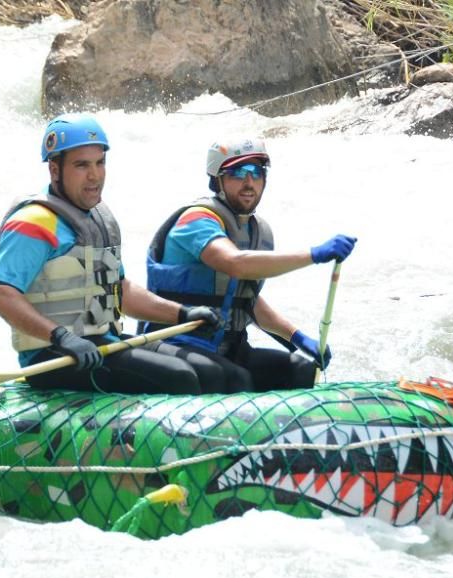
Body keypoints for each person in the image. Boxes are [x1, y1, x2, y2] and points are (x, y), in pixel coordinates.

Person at [0, 113, 227, 395]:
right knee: (179, 377)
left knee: (213, 372)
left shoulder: (98, 219)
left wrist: (182, 313)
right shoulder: (33, 223)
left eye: (100, 163)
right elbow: (1, 296)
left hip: (103, 341)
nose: (94, 175)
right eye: (81, 165)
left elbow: (119, 291)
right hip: (56, 356)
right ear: (54, 170)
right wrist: (61, 336)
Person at [142, 138, 357, 392]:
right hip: (176, 344)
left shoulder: (257, 231)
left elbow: (246, 299)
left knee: (301, 370)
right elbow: (235, 264)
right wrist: (314, 254)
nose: (249, 182)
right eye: (237, 173)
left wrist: (296, 337)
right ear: (218, 179)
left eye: (256, 172)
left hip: (231, 348)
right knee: (235, 379)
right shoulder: (196, 220)